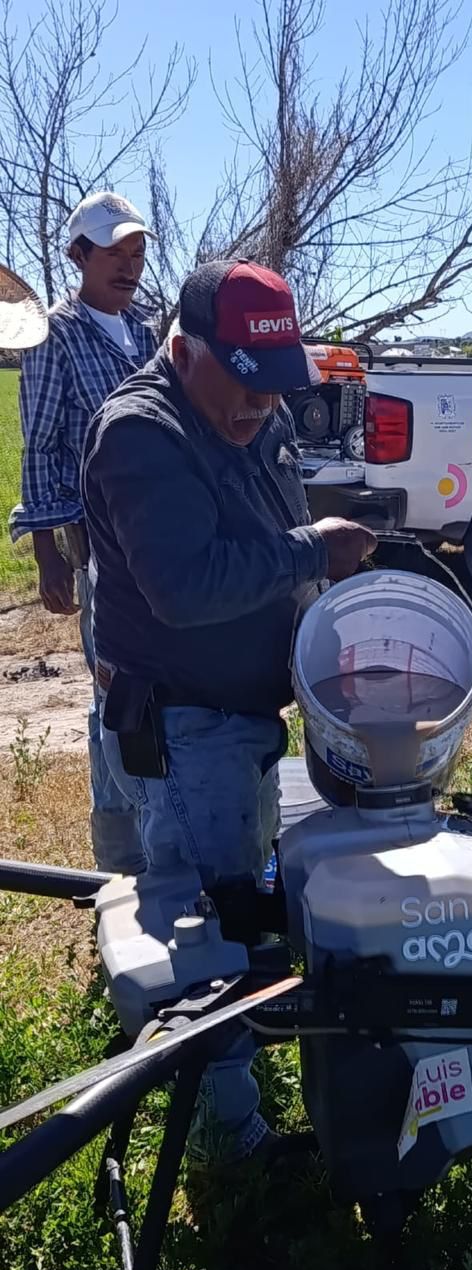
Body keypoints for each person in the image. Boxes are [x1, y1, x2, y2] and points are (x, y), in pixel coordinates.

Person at [81, 258, 376, 1165]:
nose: (258, 409)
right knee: (213, 923)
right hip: (184, 725)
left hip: (236, 717)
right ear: (183, 346)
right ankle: (226, 1138)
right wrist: (309, 554)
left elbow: (264, 515)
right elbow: (182, 586)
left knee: (233, 899)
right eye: (242, 385)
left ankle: (217, 1073)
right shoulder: (141, 432)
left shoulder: (259, 409)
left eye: (273, 388)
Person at [8, 191, 159, 875]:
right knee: (115, 696)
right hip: (98, 544)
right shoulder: (56, 335)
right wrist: (49, 556)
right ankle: (121, 860)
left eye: (136, 253)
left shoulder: (147, 332)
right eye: (113, 253)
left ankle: (160, 839)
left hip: (157, 540)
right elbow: (40, 448)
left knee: (156, 685)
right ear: (78, 256)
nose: (128, 266)